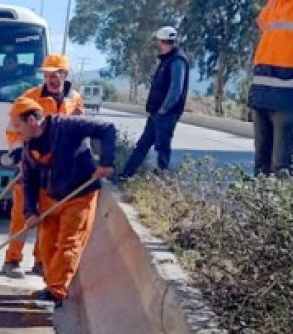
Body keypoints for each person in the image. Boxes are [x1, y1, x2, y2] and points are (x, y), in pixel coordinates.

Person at [10, 97, 116, 308]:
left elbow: (107, 129)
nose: (16, 131)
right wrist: (30, 212)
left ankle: (56, 292)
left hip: (80, 194)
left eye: (17, 125)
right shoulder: (29, 146)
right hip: (52, 195)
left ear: (32, 120)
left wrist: (106, 162)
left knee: (69, 243)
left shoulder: (68, 126)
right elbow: (29, 181)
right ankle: (51, 285)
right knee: (46, 243)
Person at [3, 53, 84, 279]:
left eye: (55, 74)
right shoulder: (29, 97)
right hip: (30, 163)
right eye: (47, 75)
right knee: (22, 213)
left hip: (55, 170)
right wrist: (20, 155)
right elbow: (12, 129)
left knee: (47, 215)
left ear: (65, 75)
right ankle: (12, 259)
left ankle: (40, 260)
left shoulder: (75, 99)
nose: (51, 79)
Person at [120, 26, 190, 179]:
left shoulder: (177, 60)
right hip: (156, 113)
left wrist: (164, 109)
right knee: (143, 145)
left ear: (160, 41)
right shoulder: (167, 60)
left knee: (162, 148)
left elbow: (175, 89)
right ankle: (126, 174)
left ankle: (162, 179)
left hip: (166, 114)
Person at [248, 0, 293, 176]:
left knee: (281, 164)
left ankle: (284, 203)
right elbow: (264, 27)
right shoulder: (274, 3)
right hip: (262, 91)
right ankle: (259, 202)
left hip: (288, 95)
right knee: (261, 161)